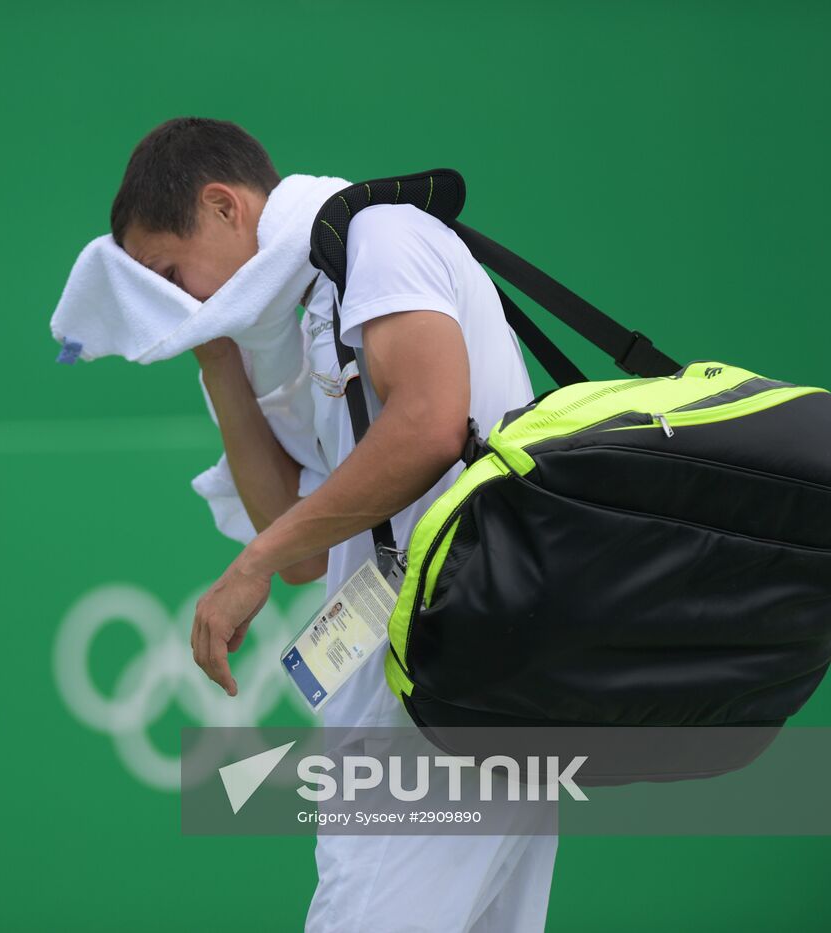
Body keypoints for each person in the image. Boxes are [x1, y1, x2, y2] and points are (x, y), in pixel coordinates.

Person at [109, 116, 558, 932]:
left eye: (170, 274)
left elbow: (427, 422)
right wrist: (213, 352)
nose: (173, 303)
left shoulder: (380, 238)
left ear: (223, 207)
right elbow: (297, 543)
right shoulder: (272, 330)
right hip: (456, 674)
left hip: (442, 674)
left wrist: (248, 566)